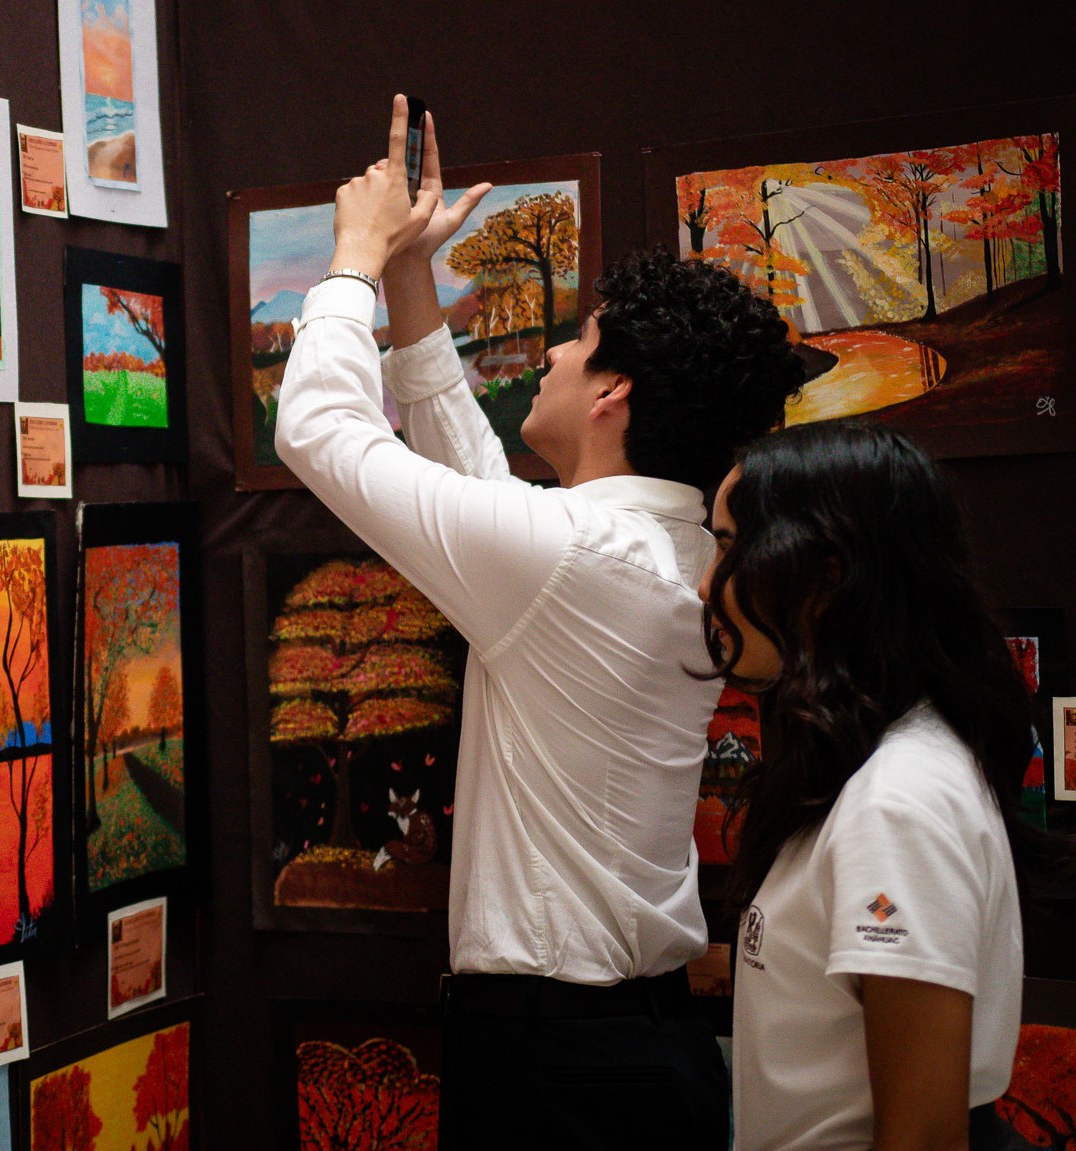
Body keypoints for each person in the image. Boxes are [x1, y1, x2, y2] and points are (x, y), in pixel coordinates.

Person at [273, 95, 804, 1148]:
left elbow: (319, 428)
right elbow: (479, 492)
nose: (554, 355)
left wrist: (353, 259)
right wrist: (412, 275)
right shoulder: (654, 548)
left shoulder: (579, 559)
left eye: (579, 341)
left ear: (613, 392)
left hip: (561, 1067)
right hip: (621, 1047)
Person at [699, 421, 1026, 1151]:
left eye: (728, 547)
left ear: (824, 578)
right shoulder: (860, 766)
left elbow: (923, 1137)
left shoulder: (897, 801)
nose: (704, 583)